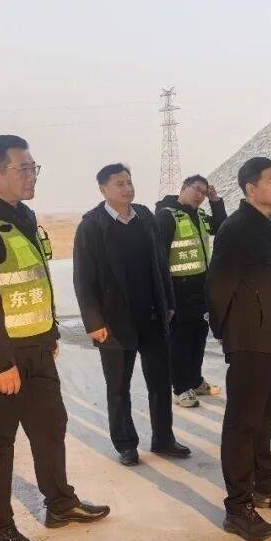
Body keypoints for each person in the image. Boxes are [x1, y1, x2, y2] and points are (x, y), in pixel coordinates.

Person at [0, 135, 109, 541]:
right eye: (24, 168)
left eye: (35, 168)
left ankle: (60, 503)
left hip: (36, 349)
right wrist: (0, 364)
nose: (32, 175)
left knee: (50, 428)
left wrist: (49, 335)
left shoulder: (23, 216)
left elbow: (36, 281)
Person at [207, 157, 271, 541]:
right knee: (243, 422)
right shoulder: (237, 228)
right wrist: (226, 333)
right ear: (251, 189)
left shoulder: (266, 224)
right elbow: (218, 285)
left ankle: (265, 483)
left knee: (265, 416)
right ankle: (238, 507)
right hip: (250, 339)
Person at [73, 163, 190, 466]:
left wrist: (168, 303)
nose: (127, 189)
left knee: (160, 382)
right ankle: (126, 443)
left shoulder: (145, 217)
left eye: (129, 182)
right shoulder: (92, 226)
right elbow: (83, 279)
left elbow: (160, 263)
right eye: (119, 184)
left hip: (152, 316)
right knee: (118, 388)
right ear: (103, 189)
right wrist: (94, 322)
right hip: (113, 322)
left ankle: (163, 438)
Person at [155, 174, 227, 408]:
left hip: (201, 288)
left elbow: (222, 228)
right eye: (196, 189)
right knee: (180, 341)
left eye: (203, 192)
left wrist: (215, 201)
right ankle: (180, 388)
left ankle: (195, 381)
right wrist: (164, 296)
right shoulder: (167, 216)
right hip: (178, 289)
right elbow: (159, 257)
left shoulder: (201, 215)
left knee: (198, 337)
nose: (200, 195)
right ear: (184, 188)